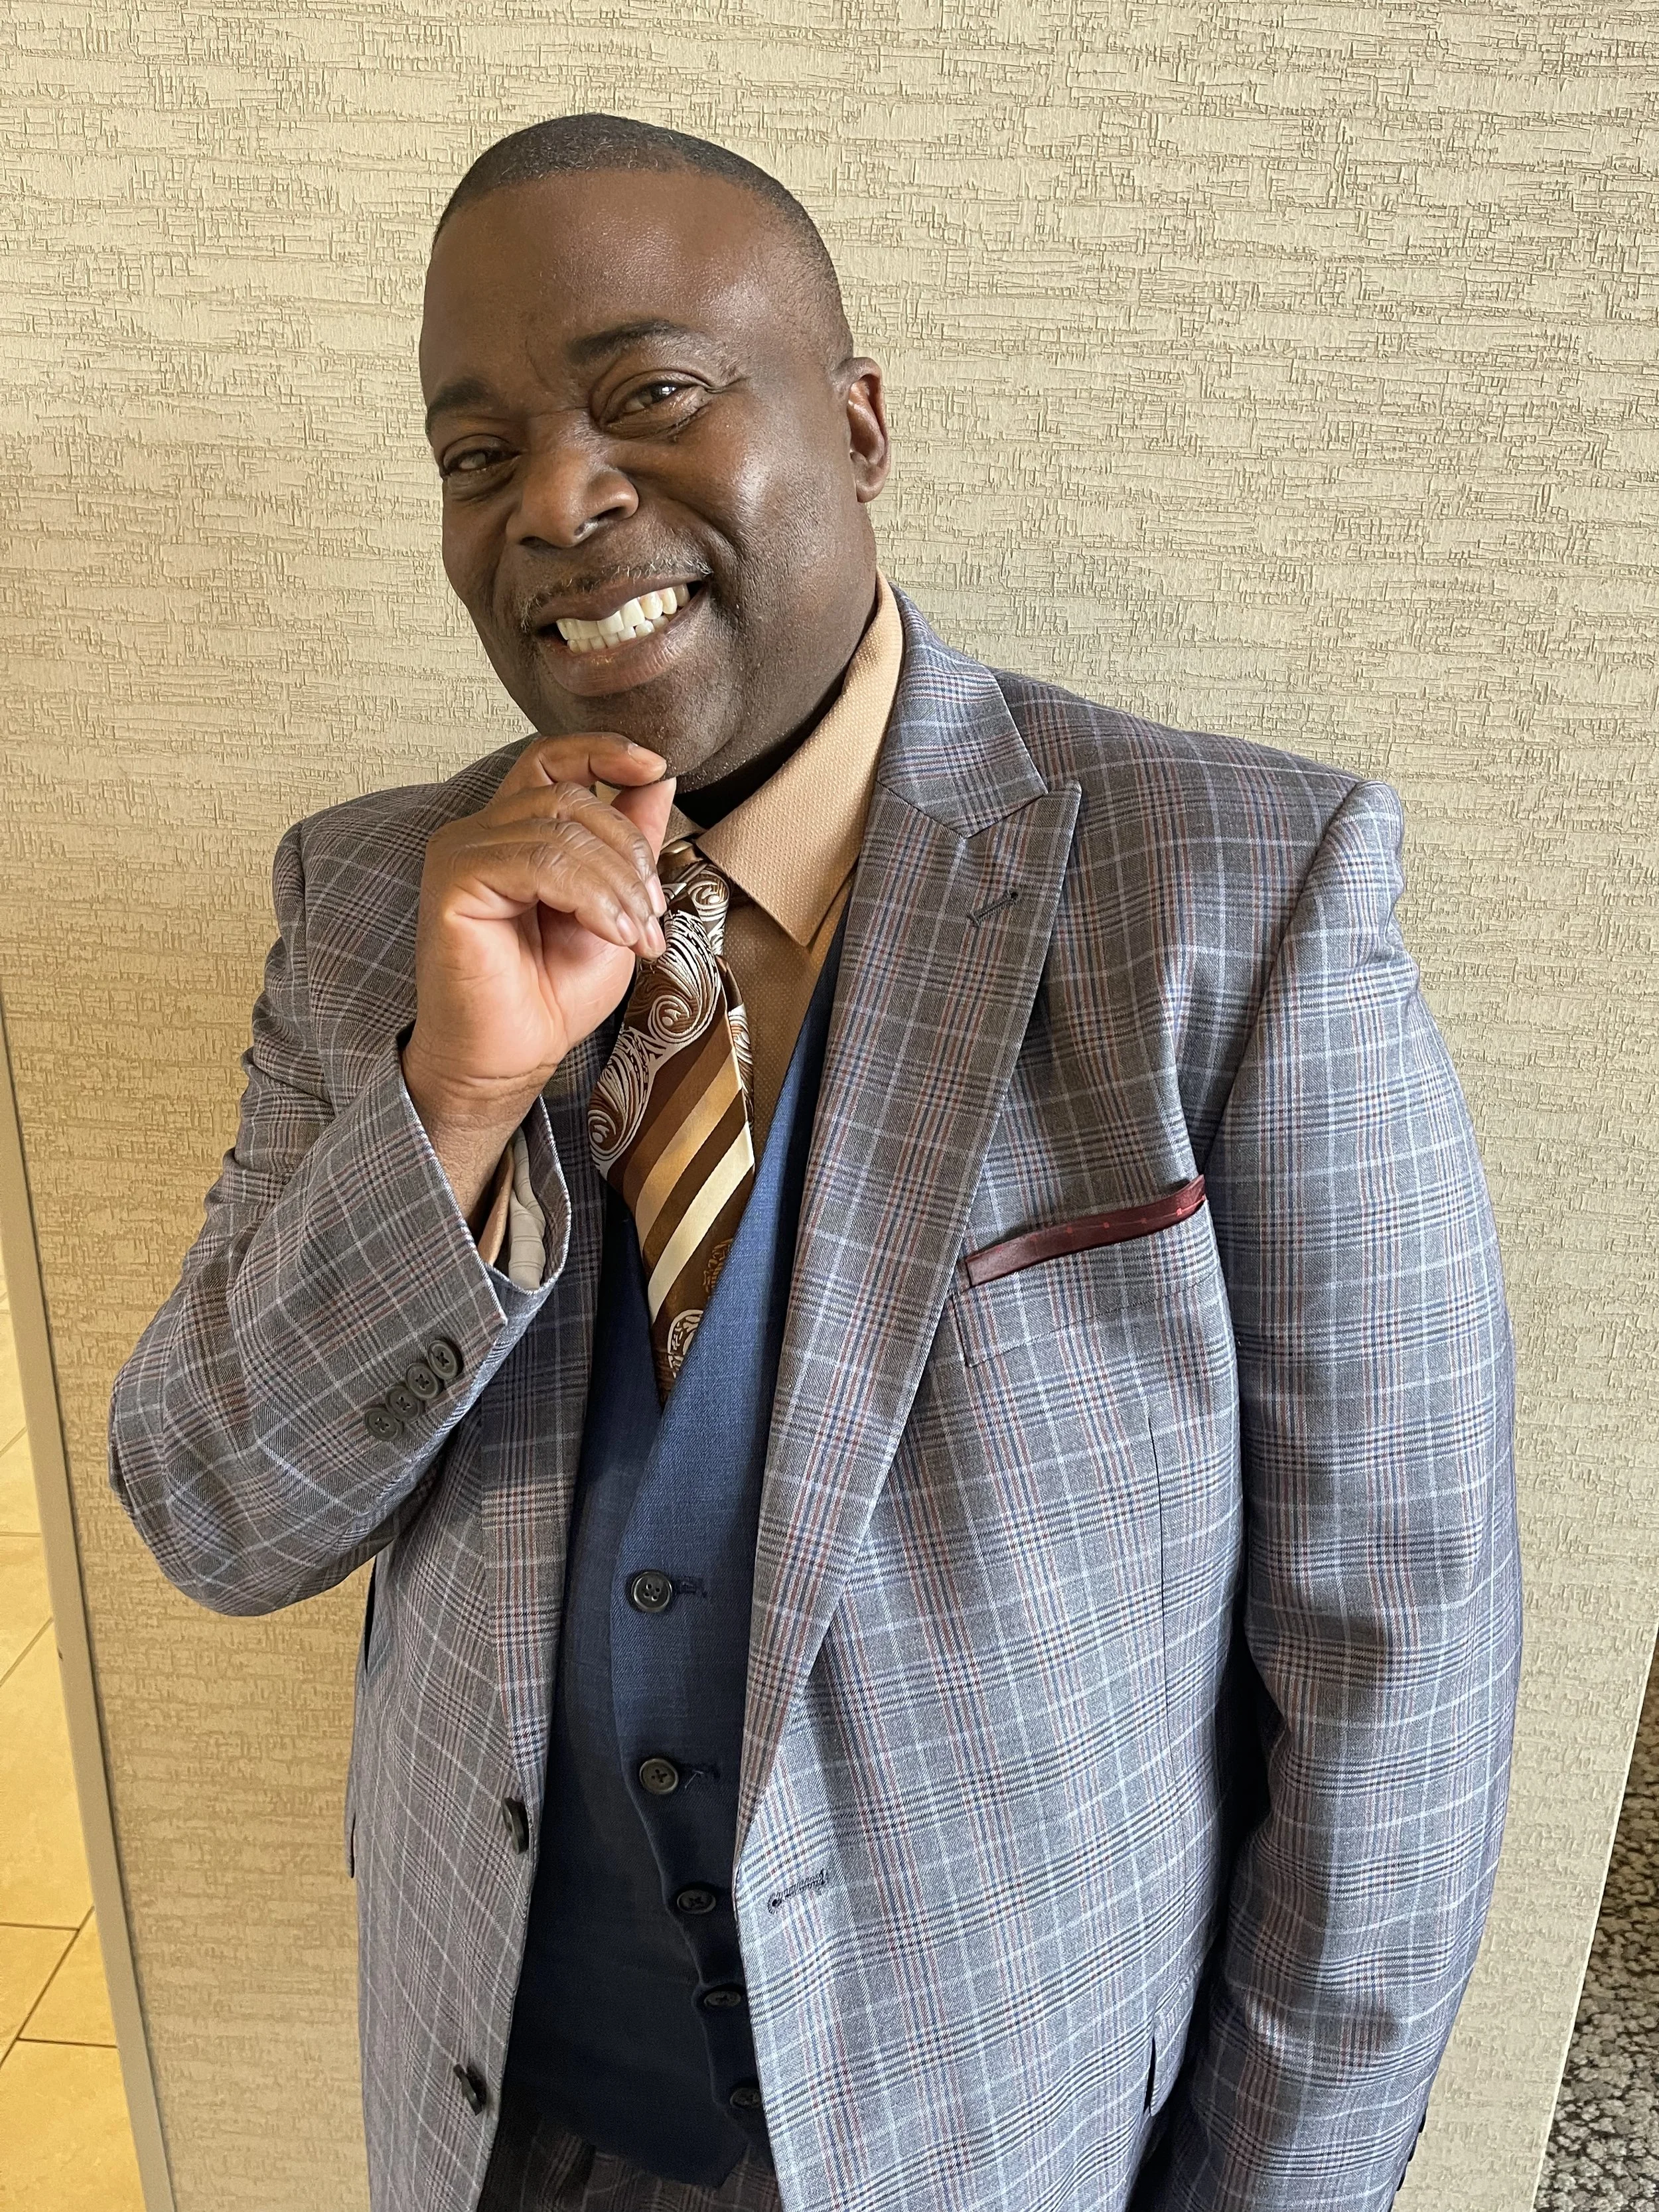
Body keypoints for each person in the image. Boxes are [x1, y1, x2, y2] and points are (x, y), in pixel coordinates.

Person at [109, 113, 1523, 2212]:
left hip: (1000, 2135)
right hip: (510, 2118)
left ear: (854, 426)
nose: (561, 503)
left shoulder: (1229, 894)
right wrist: (459, 1097)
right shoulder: (364, 904)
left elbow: (1392, 1664)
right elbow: (215, 1514)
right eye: (474, 451)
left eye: (650, 394)